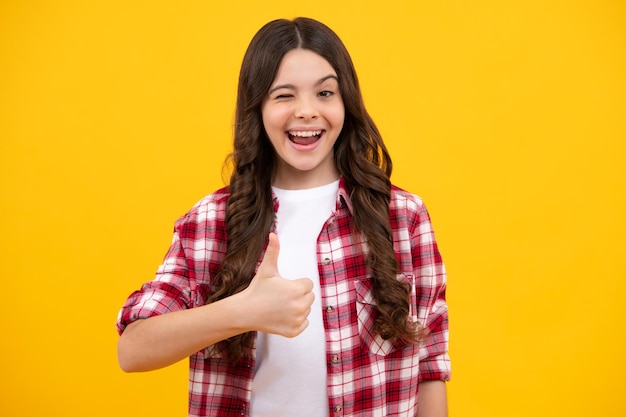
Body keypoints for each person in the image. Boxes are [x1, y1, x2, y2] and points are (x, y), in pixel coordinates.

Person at [116, 17, 450, 417]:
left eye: (325, 92)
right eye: (284, 95)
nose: (307, 112)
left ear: (346, 103)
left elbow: (429, 363)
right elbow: (132, 349)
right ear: (257, 107)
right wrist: (242, 311)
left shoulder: (403, 217)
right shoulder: (211, 222)